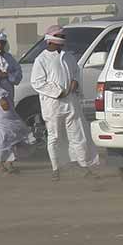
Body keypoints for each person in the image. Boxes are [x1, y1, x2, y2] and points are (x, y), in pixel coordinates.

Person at [30, 25, 100, 181]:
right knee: (54, 137)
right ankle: (56, 169)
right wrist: (57, 92)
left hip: (71, 103)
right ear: (51, 39)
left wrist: (75, 82)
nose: (64, 40)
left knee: (78, 135)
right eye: (61, 37)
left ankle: (83, 166)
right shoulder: (41, 59)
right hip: (53, 105)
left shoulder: (68, 56)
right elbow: (37, 82)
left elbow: (76, 72)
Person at [0, 31, 33, 173]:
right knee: (4, 130)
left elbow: (18, 75)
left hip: (9, 96)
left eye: (1, 43)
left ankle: (10, 161)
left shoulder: (9, 58)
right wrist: (1, 98)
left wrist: (6, 75)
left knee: (13, 129)